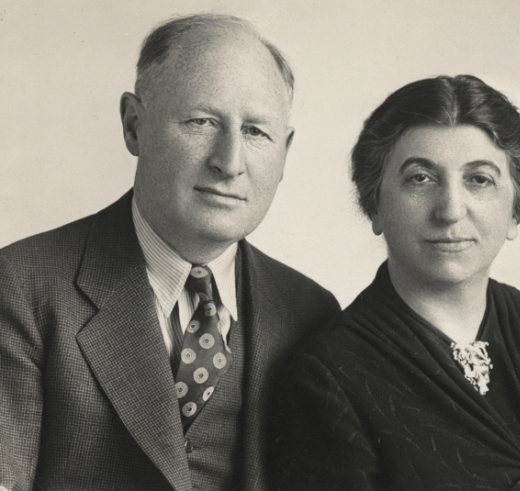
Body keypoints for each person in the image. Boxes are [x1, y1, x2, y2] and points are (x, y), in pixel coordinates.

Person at [0, 14, 339, 491]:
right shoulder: (21, 286)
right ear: (134, 126)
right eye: (202, 122)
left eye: (256, 132)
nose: (230, 162)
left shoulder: (310, 312)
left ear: (284, 153)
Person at [268, 75, 520, 490]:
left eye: (479, 179)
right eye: (420, 178)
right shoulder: (329, 377)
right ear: (374, 204)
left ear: (515, 210)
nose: (450, 210)